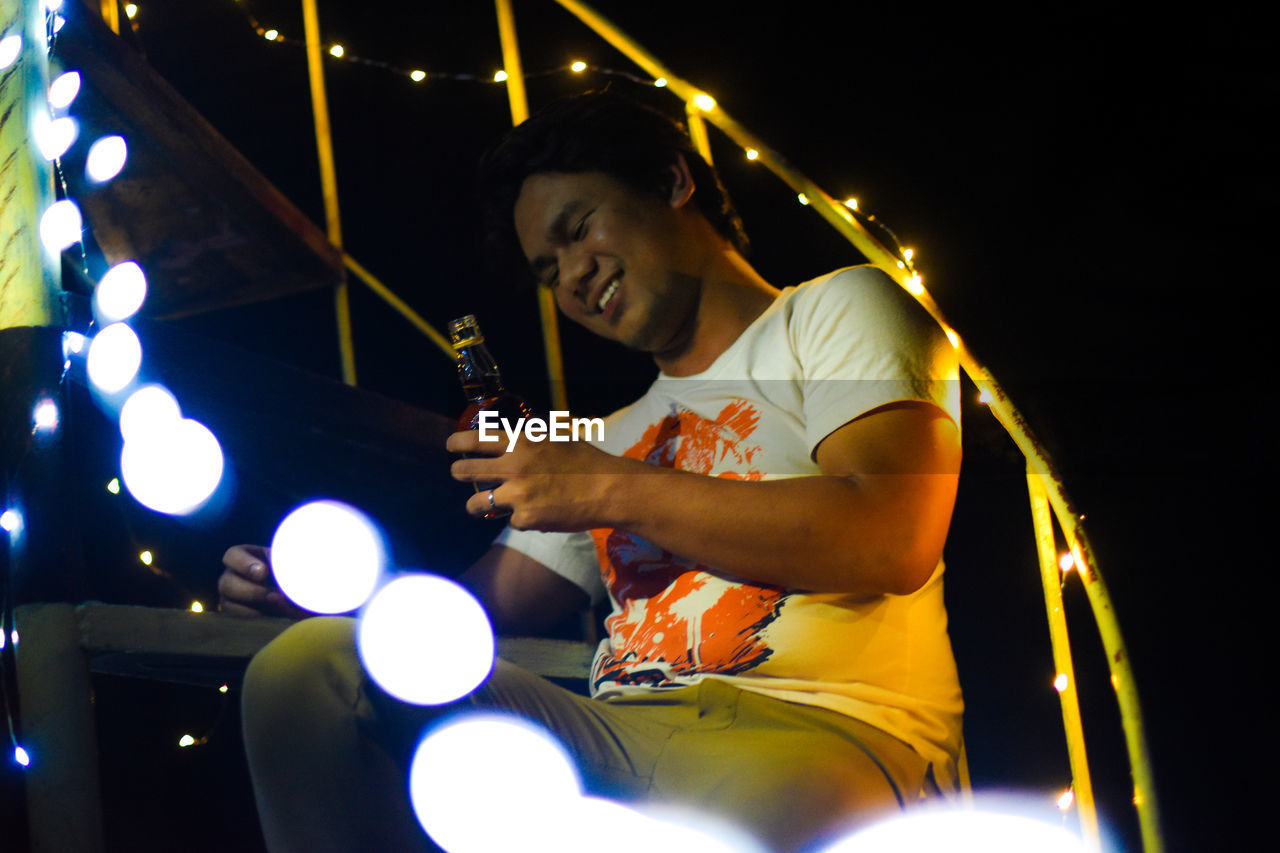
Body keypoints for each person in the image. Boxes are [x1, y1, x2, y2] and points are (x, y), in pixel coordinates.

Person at [219, 90, 964, 852]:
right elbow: (480, 611)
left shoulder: (834, 310)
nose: (573, 275)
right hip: (615, 733)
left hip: (825, 730)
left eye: (578, 231)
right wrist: (328, 599)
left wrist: (611, 487)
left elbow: (892, 536)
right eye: (549, 270)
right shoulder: (604, 440)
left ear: (674, 182)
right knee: (313, 669)